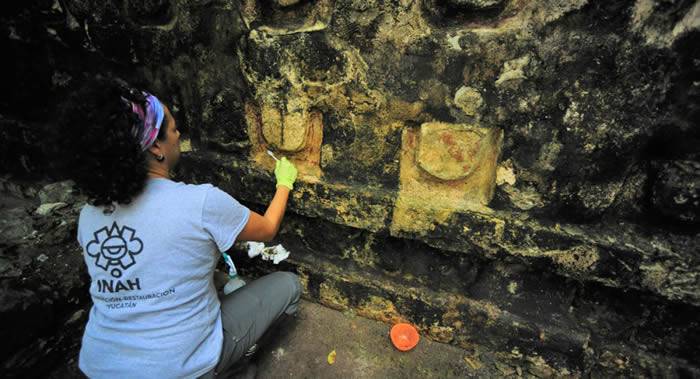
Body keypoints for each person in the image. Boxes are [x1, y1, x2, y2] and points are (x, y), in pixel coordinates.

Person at [57, 76, 301, 378]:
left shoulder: (89, 215)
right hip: (180, 369)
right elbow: (266, 229)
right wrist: (284, 183)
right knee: (288, 284)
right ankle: (228, 366)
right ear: (157, 148)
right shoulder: (199, 203)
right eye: (173, 128)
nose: (178, 133)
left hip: (99, 366)